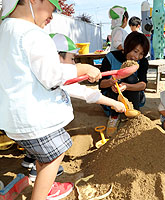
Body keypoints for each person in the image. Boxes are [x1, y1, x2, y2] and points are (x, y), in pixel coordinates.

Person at [0, 1, 102, 199]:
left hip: (12, 119)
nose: (53, 15)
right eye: (53, 7)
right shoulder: (32, 34)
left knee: (43, 154)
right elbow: (52, 76)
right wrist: (83, 68)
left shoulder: (4, 30)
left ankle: (44, 184)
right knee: (56, 153)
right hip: (33, 117)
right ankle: (40, 195)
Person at [21, 33, 127, 182]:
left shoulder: (51, 77)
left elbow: (84, 92)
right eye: (72, 59)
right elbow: (83, 92)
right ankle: (39, 172)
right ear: (57, 57)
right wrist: (84, 68)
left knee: (40, 143)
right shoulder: (51, 76)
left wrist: (114, 103)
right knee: (59, 146)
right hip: (40, 126)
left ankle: (30, 158)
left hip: (28, 130)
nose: (73, 63)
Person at [99, 31, 150, 136]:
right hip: (112, 96)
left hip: (134, 96)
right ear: (128, 46)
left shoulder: (143, 62)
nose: (137, 57)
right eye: (135, 51)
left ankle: (135, 113)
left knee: (130, 77)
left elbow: (143, 84)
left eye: (141, 54)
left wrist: (126, 86)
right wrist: (111, 82)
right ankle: (114, 117)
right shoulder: (111, 57)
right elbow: (101, 84)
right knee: (118, 79)